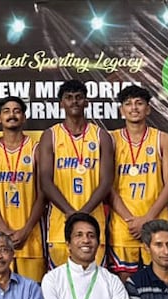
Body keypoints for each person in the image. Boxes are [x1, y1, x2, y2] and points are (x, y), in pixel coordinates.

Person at [40, 80, 114, 269]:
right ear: (61, 103)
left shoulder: (101, 136)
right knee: (61, 282)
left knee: (94, 281)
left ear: (87, 102)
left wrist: (83, 213)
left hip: (93, 220)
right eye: (68, 98)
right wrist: (69, 212)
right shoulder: (50, 135)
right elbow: (45, 180)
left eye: (79, 97)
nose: (74, 102)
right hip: (60, 221)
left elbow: (106, 181)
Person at [107, 86, 168, 277]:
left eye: (139, 103)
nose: (134, 108)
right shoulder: (111, 139)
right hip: (123, 223)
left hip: (156, 220)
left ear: (148, 109)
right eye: (128, 104)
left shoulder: (163, 139)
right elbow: (107, 186)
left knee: (160, 275)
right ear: (121, 110)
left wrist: (147, 219)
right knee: (124, 281)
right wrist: (131, 220)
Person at [0, 96, 47, 281]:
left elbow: (42, 194)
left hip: (31, 236)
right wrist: (4, 230)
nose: (11, 115)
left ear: (24, 117)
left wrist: (26, 229)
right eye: (6, 111)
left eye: (17, 111)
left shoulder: (35, 149)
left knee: (32, 293)